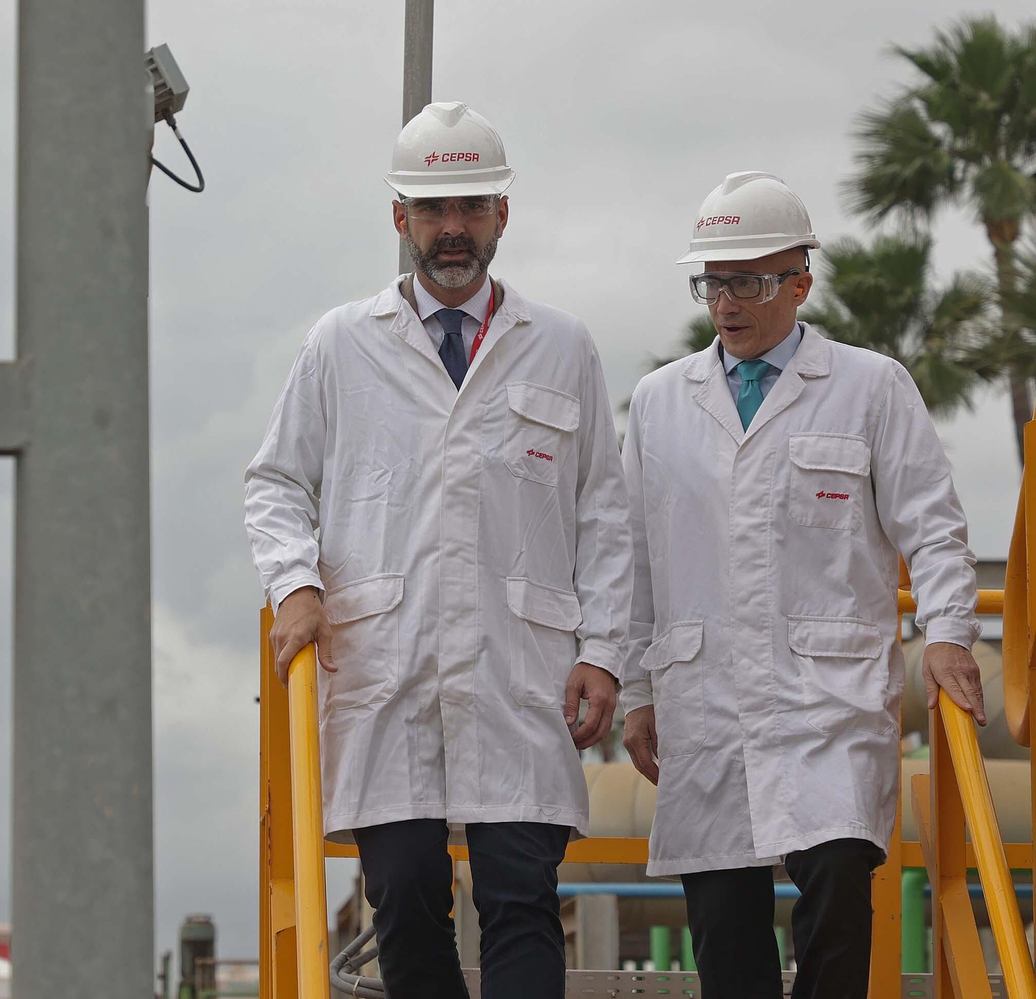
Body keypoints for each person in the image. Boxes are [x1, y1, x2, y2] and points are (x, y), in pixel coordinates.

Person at [244, 101, 632, 999]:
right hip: (388, 665)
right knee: (407, 897)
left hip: (521, 670)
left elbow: (606, 515)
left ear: (502, 214)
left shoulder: (562, 345)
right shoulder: (341, 344)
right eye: (431, 208)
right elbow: (275, 480)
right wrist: (296, 583)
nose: (452, 228)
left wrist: (606, 650)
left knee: (523, 899)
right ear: (399, 218)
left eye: (471, 207)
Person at [619, 171, 987, 999]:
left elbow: (933, 525)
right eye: (713, 282)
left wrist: (949, 636)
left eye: (748, 283)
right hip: (705, 702)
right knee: (726, 935)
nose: (726, 304)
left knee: (838, 885)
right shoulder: (658, 402)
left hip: (829, 697)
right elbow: (636, 557)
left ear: (800, 283)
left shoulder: (871, 387)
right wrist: (637, 689)